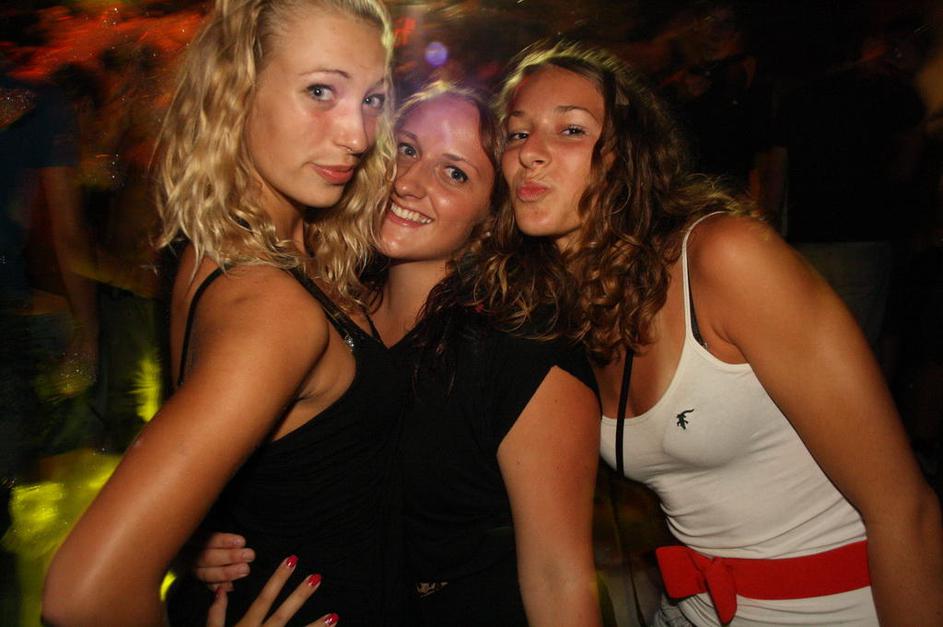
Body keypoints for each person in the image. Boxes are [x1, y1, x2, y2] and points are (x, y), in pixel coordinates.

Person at [475, 41, 943, 626]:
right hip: (694, 609)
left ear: (629, 155)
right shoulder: (564, 305)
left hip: (836, 607)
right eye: (517, 134)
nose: (530, 153)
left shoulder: (724, 259)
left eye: (571, 130)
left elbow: (906, 511)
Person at [41, 0, 401, 625]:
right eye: (321, 91)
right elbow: (84, 595)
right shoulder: (270, 306)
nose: (358, 135)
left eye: (372, 99)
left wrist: (195, 532)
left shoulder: (222, 248)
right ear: (237, 92)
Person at [193, 82, 603, 626]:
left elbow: (559, 578)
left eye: (454, 173)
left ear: (491, 214)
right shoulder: (321, 311)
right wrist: (210, 536)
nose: (408, 182)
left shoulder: (524, 354)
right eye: (406, 149)